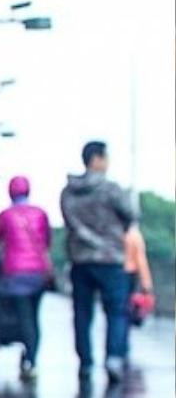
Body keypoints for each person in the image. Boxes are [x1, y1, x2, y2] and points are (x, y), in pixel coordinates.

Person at [59, 141, 134, 383]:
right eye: (106, 157)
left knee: (82, 313)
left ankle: (86, 363)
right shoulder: (111, 190)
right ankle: (113, 358)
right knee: (116, 311)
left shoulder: (68, 192)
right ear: (97, 159)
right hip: (110, 259)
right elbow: (131, 214)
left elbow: (69, 222)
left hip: (80, 260)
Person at [0, 175, 51, 379]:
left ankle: (28, 359)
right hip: (37, 274)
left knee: (23, 315)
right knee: (34, 315)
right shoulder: (41, 214)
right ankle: (31, 358)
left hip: (14, 273)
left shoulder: (6, 215)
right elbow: (46, 241)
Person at [123, 223, 153, 355]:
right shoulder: (134, 235)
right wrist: (146, 284)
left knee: (115, 311)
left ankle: (116, 347)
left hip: (114, 271)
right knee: (125, 311)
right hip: (130, 274)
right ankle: (122, 345)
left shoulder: (114, 232)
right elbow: (141, 260)